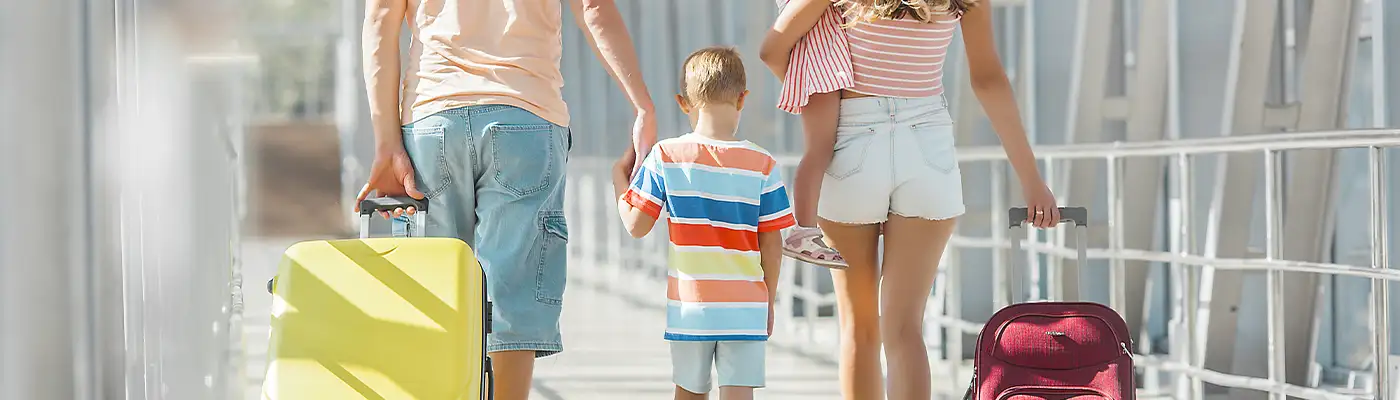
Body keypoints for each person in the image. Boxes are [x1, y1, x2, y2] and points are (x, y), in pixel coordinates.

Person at [352, 0, 656, 398]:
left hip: (433, 117)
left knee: (431, 287)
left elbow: (380, 17)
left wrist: (386, 141)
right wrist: (642, 107)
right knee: (513, 291)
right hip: (525, 117)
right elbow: (594, 8)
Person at [759, 0, 1061, 399]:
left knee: (859, 328)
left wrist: (813, 84)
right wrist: (1032, 179)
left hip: (852, 144)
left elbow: (771, 49)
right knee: (904, 331)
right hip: (927, 149)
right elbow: (988, 79)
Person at [611, 47, 795, 400]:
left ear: (684, 103)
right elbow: (772, 243)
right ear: (743, 99)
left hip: (691, 306)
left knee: (689, 393)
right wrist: (768, 300)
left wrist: (620, 180)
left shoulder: (666, 156)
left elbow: (636, 225)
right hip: (745, 307)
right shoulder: (764, 165)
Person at [761, 0, 853, 269]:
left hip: (820, 60)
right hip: (821, 62)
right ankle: (803, 229)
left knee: (822, 149)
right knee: (819, 149)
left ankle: (805, 228)